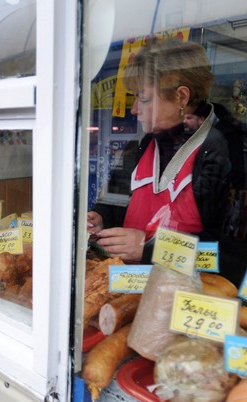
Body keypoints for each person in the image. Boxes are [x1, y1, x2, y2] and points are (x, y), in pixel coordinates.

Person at [87, 39, 230, 263]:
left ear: (182, 97)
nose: (134, 109)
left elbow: (224, 253)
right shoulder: (142, 145)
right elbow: (115, 204)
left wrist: (149, 249)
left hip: (185, 292)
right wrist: (100, 219)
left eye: (143, 98)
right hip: (128, 284)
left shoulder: (217, 149)